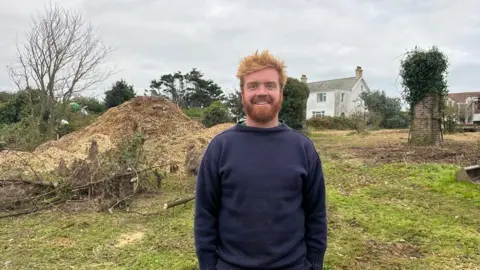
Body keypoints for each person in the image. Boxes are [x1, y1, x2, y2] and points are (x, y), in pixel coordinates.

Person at [194, 49, 327, 270]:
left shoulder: (303, 148)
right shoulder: (220, 148)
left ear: (281, 92)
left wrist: (315, 263)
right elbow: (205, 215)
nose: (262, 92)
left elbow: (316, 215)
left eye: (270, 85)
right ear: (242, 94)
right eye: (253, 85)